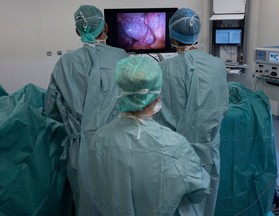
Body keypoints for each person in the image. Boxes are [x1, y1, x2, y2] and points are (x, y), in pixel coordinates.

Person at [80, 56, 210, 216]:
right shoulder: (174, 145)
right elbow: (199, 190)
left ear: (121, 93)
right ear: (157, 98)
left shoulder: (99, 139)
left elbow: (97, 189)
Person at [44, 5, 128, 214]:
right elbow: (132, 102)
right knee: (118, 198)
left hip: (80, 151)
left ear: (77, 31)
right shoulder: (121, 57)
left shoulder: (65, 63)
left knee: (85, 200)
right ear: (106, 27)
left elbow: (51, 111)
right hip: (117, 146)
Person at [154, 8, 229, 216]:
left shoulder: (163, 70)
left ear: (171, 35)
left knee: (176, 203)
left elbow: (157, 115)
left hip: (173, 152)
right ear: (197, 34)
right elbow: (222, 107)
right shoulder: (217, 66)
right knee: (205, 197)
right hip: (207, 150)